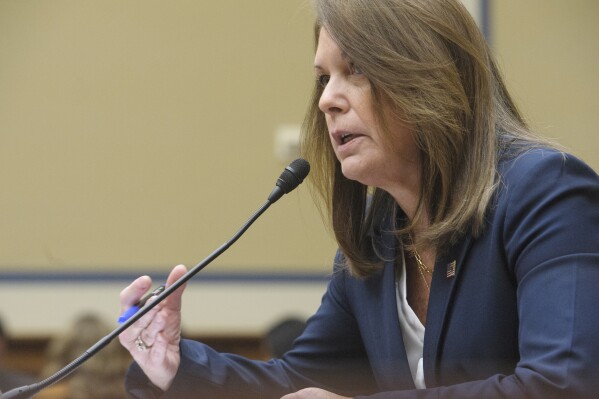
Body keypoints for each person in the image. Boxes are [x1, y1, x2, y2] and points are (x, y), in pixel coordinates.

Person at [118, 0, 599, 398]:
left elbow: (564, 386)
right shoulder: (379, 237)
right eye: (323, 78)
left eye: (356, 70)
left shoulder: (547, 192)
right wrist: (178, 365)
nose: (328, 98)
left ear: (429, 75)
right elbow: (299, 385)